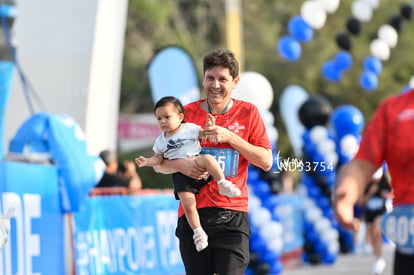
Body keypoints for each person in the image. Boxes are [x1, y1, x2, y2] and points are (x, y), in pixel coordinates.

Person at [145, 49, 273, 275]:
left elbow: (266, 161)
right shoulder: (185, 114)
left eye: (222, 79)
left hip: (232, 217)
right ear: (203, 78)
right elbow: (159, 163)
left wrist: (229, 137)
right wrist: (180, 165)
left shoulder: (248, 113)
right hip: (194, 219)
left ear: (235, 82)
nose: (215, 85)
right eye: (210, 78)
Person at [135, 96, 242, 252]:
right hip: (181, 175)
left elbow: (205, 134)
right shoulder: (159, 142)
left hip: (196, 163)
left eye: (167, 117)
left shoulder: (188, 128)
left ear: (180, 117)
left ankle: (222, 183)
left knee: (208, 159)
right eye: (159, 118)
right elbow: (157, 160)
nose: (162, 121)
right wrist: (147, 161)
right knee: (188, 205)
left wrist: (210, 127)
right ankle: (198, 232)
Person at [333, 89, 414, 275]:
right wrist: (346, 193)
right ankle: (377, 259)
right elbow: (361, 165)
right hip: (409, 244)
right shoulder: (393, 110)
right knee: (375, 230)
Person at [355, 167, 392, 274]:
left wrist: (383, 194)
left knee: (377, 231)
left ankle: (379, 259)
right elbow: (361, 201)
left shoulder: (384, 181)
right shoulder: (365, 182)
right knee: (373, 237)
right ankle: (378, 259)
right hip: (369, 213)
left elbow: (390, 194)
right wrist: (370, 193)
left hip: (380, 212)